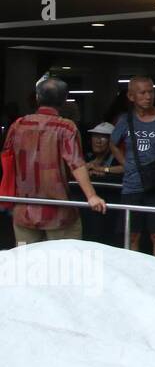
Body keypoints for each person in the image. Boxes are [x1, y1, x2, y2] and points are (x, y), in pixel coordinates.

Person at [2, 76, 107, 243]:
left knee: (25, 262)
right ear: (65, 100)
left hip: (23, 209)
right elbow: (76, 163)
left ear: (37, 98)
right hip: (59, 213)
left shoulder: (18, 125)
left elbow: (6, 160)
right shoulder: (66, 127)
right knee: (65, 262)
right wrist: (91, 196)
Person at [110, 75, 155, 260]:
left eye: (151, 91)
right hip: (132, 186)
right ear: (131, 96)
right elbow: (112, 144)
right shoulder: (125, 120)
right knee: (132, 235)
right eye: (142, 92)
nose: (148, 96)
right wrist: (126, 164)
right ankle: (132, 281)